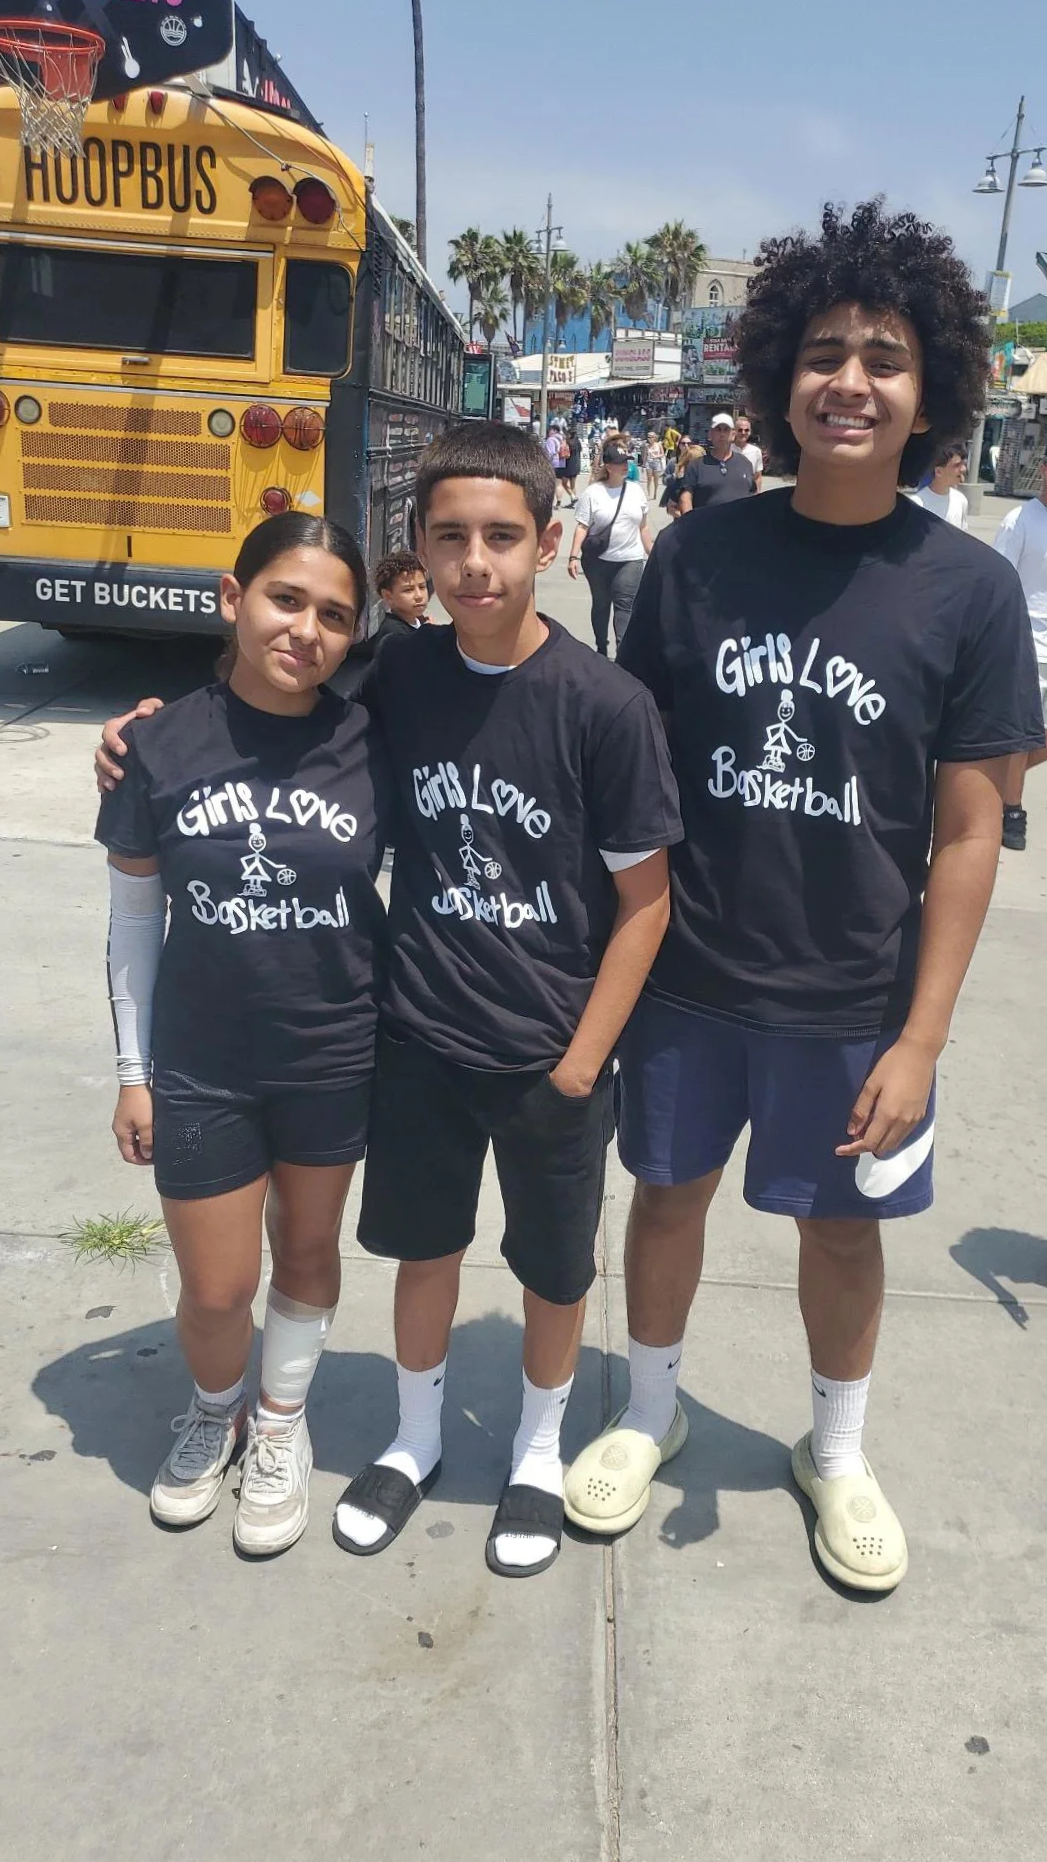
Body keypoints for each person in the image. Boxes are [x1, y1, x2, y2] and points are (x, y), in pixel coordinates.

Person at [564, 199, 1043, 1594]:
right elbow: (612, 752)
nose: (849, 378)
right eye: (822, 350)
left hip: (852, 996)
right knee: (664, 1198)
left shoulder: (959, 592)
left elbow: (968, 831)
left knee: (841, 1228)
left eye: (883, 356)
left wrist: (921, 1036)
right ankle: (644, 1411)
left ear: (927, 388)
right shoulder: (696, 559)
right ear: (777, 378)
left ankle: (832, 1449)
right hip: (685, 977)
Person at [328, 422, 682, 1577]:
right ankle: (416, 1435)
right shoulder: (400, 671)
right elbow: (268, 720)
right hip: (422, 1035)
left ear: (551, 542)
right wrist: (148, 734)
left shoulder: (603, 703)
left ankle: (535, 1450)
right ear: (418, 551)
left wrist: (582, 1061)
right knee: (422, 1249)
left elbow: (645, 903)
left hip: (549, 1053)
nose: (474, 560)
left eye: (500, 536)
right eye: (450, 538)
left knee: (553, 1267)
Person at [94, 515, 391, 1557]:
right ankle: (215, 1406)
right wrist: (134, 1071)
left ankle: (280, 1420)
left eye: (333, 614)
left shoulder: (372, 738)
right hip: (203, 1060)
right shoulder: (159, 743)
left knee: (308, 1249)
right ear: (233, 597)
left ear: (355, 634)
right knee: (218, 1285)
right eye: (285, 598)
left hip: (332, 1050)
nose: (305, 628)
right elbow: (134, 921)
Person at [992, 453, 1047, 850]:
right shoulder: (1020, 521)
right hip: (1026, 644)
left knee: (1033, 741)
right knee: (1020, 737)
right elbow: (998, 583)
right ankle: (1012, 809)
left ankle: (987, 782)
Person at [569, 437, 654, 655]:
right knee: (601, 604)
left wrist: (652, 553)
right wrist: (573, 557)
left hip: (630, 560)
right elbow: (582, 527)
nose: (626, 465)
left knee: (625, 606)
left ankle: (623, 654)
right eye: (620, 462)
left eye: (627, 461)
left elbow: (643, 527)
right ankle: (601, 647)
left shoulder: (636, 491)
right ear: (608, 466)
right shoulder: (593, 493)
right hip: (598, 561)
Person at [677, 412, 756, 512]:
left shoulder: (745, 463)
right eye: (718, 429)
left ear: (733, 435)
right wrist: (689, 523)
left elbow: (753, 494)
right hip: (707, 525)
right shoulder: (696, 466)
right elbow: (685, 497)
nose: (722, 434)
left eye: (726, 430)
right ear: (710, 435)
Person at [910, 441, 969, 530]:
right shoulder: (917, 504)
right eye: (957, 465)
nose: (963, 469)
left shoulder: (961, 501)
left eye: (963, 464)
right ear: (938, 472)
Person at [734, 415, 764, 491]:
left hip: (748, 494)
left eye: (746, 430)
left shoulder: (756, 451)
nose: (743, 433)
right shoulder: (727, 449)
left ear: (750, 432)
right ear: (734, 431)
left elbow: (758, 476)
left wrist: (757, 495)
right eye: (740, 430)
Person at [562, 423, 583, 504]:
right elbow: (580, 450)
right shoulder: (577, 441)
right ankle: (573, 501)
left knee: (564, 483)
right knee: (573, 485)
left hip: (569, 466)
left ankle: (573, 496)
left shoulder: (568, 443)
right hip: (576, 464)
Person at [643, 430, 666, 499]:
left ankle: (655, 493)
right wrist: (643, 465)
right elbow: (645, 455)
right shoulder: (647, 446)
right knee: (649, 478)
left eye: (651, 437)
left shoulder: (658, 444)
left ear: (654, 438)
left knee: (656, 479)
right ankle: (649, 493)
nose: (649, 438)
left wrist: (657, 456)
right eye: (648, 437)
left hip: (657, 462)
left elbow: (663, 454)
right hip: (649, 462)